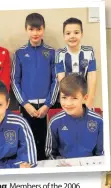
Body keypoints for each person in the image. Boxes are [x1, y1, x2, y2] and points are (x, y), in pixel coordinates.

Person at [11, 13, 58, 160]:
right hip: (27, 107)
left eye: (39, 29)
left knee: (46, 144)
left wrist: (48, 104)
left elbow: (56, 80)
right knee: (28, 142)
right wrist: (25, 104)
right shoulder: (19, 53)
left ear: (43, 29)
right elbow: (14, 80)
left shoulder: (51, 52)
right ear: (26, 30)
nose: (35, 33)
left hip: (47, 107)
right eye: (32, 29)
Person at [45, 74, 103, 159]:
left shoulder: (99, 121)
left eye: (74, 98)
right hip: (64, 169)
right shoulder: (54, 122)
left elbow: (101, 153)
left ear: (85, 98)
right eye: (64, 97)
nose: (68, 103)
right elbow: (50, 153)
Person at [55, 17, 97, 109]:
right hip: (68, 100)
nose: (72, 36)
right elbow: (61, 80)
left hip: (84, 99)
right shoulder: (60, 53)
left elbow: (92, 78)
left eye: (76, 32)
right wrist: (66, 103)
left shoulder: (89, 51)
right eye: (68, 33)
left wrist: (88, 102)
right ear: (64, 36)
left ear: (82, 34)